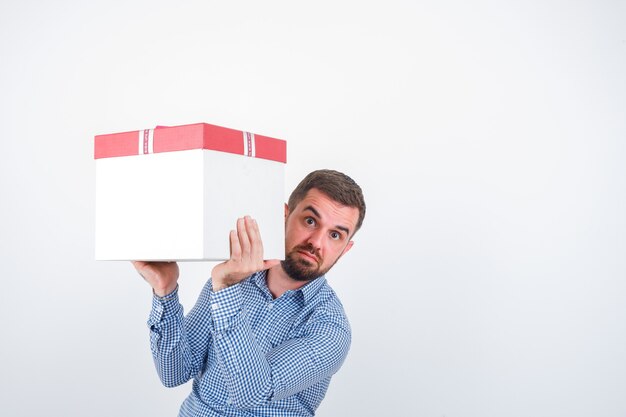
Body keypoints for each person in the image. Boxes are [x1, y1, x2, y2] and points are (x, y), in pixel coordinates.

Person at [132, 169, 366, 417]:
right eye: (310, 221)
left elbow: (251, 393)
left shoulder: (331, 328)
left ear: (345, 248)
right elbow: (174, 372)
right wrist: (165, 290)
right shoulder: (234, 280)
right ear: (284, 215)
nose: (317, 242)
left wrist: (225, 290)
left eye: (335, 235)